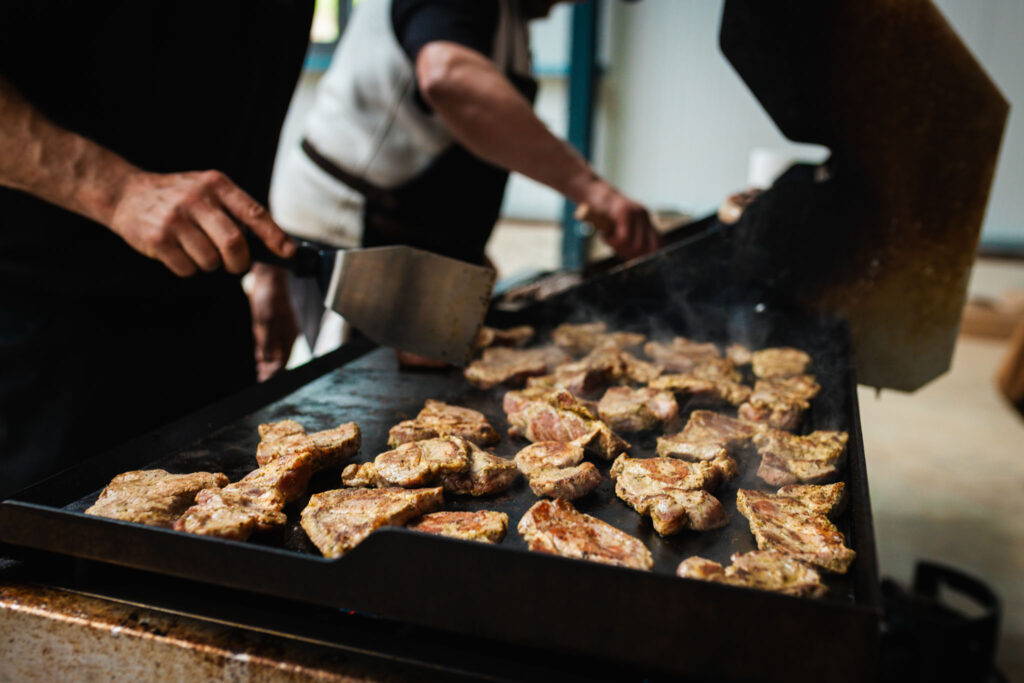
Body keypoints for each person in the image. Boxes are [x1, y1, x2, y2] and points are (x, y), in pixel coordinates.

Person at [0, 2, 313, 495]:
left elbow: (226, 77)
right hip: (44, 330)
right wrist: (117, 188)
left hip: (210, 313)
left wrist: (260, 251)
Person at [268, 0, 659, 351]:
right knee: (376, 385)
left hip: (417, 238)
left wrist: (464, 250)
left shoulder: (508, 18)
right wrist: (595, 191)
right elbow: (448, 77)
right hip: (356, 240)